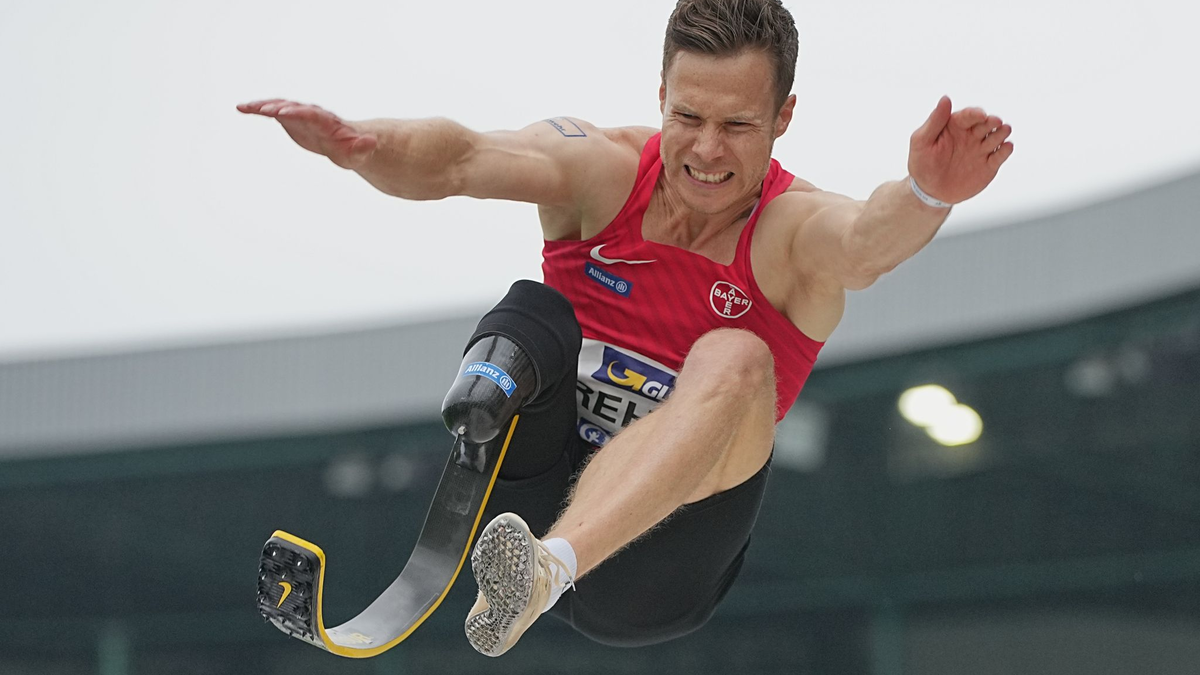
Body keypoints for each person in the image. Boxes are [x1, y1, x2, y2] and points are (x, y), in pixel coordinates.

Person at [239, 0, 1013, 657]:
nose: (707, 152)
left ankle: (545, 570)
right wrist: (361, 147)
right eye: (688, 117)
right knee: (530, 312)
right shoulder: (602, 171)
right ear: (661, 96)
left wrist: (924, 192)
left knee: (738, 356)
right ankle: (485, 416)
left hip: (656, 568)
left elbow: (864, 243)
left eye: (739, 125)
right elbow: (462, 158)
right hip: (533, 499)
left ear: (784, 117)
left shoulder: (788, 233)